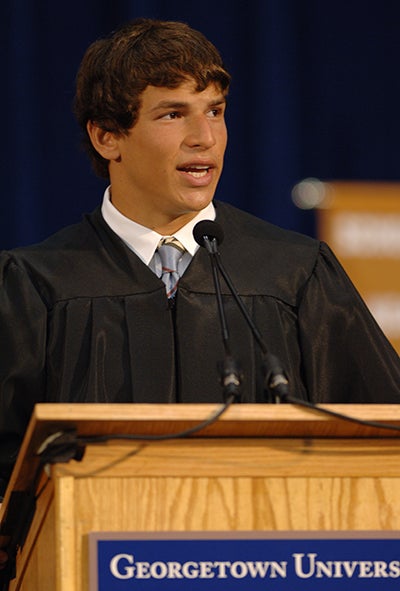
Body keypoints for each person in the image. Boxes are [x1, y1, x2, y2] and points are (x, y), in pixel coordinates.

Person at [1, 17, 400, 496]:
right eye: (173, 114)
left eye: (214, 111)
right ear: (107, 136)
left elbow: (378, 440)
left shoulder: (293, 272)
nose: (205, 137)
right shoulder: (37, 284)